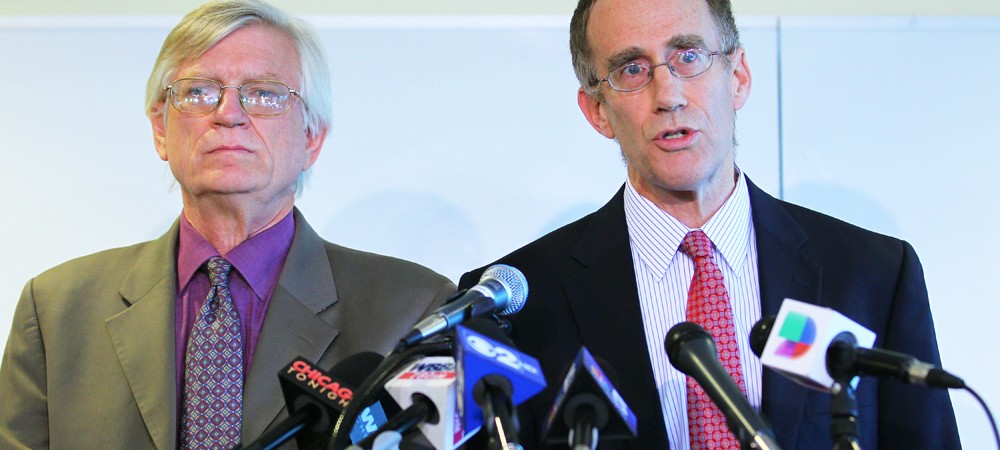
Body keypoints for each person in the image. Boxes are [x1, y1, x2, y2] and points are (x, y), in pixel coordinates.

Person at [459, 0, 961, 449]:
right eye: (632, 69)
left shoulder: (872, 275)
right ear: (597, 111)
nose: (668, 94)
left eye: (689, 56)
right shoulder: (512, 308)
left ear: (738, 76)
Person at [0, 1, 455, 448]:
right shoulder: (56, 310)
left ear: (311, 137)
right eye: (198, 92)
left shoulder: (414, 310)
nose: (228, 113)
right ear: (161, 129)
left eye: (264, 93)